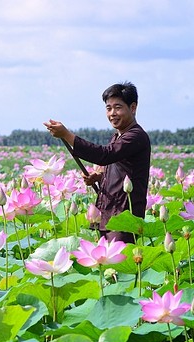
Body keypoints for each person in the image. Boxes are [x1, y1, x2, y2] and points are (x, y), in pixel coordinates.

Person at [44, 81, 151, 243]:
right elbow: (123, 170)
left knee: (119, 265)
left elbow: (104, 155)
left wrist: (66, 135)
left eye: (118, 107)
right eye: (109, 108)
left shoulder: (136, 136)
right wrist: (99, 177)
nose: (112, 113)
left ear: (133, 107)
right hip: (108, 214)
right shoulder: (118, 136)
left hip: (124, 218)